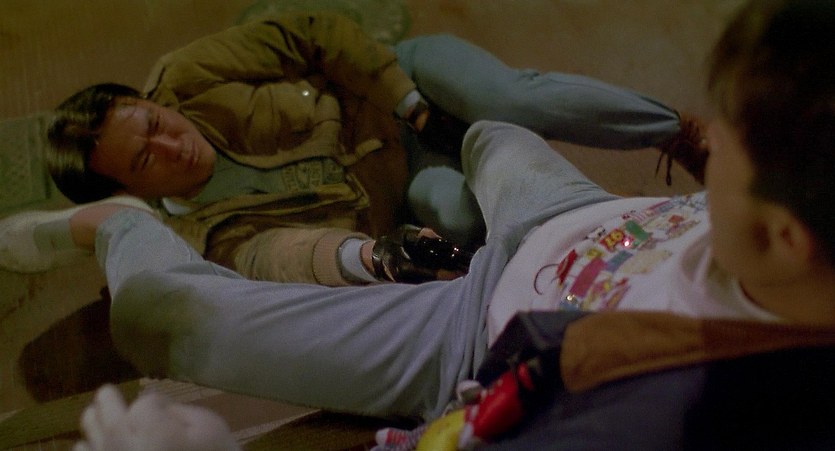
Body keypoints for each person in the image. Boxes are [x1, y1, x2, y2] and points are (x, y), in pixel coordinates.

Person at [33, 11, 707, 285]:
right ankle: (638, 228)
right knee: (466, 213)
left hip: (398, 86)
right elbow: (288, 254)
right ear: (134, 190)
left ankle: (674, 130)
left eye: (151, 120)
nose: (169, 140)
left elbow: (313, 31)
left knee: (509, 99)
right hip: (402, 179)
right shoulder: (210, 233)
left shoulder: (187, 74)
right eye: (144, 158)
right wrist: (372, 255)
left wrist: (408, 102)